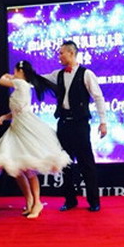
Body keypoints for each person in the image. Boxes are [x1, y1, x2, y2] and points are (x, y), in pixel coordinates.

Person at [0, 60, 71, 219]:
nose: (13, 73)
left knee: (28, 168)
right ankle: (29, 200)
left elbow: (1, 80)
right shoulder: (22, 86)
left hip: (25, 129)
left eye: (15, 70)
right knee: (15, 166)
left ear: (20, 71)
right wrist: (4, 117)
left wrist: (8, 76)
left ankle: (37, 202)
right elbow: (18, 111)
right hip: (16, 128)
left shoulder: (21, 83)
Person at [43, 41, 107, 212]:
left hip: (80, 124)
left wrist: (103, 122)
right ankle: (70, 200)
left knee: (86, 163)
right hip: (63, 123)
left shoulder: (86, 74)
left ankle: (94, 201)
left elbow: (98, 97)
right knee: (65, 164)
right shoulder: (57, 74)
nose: (59, 56)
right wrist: (22, 76)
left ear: (71, 53)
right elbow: (40, 79)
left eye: (61, 53)